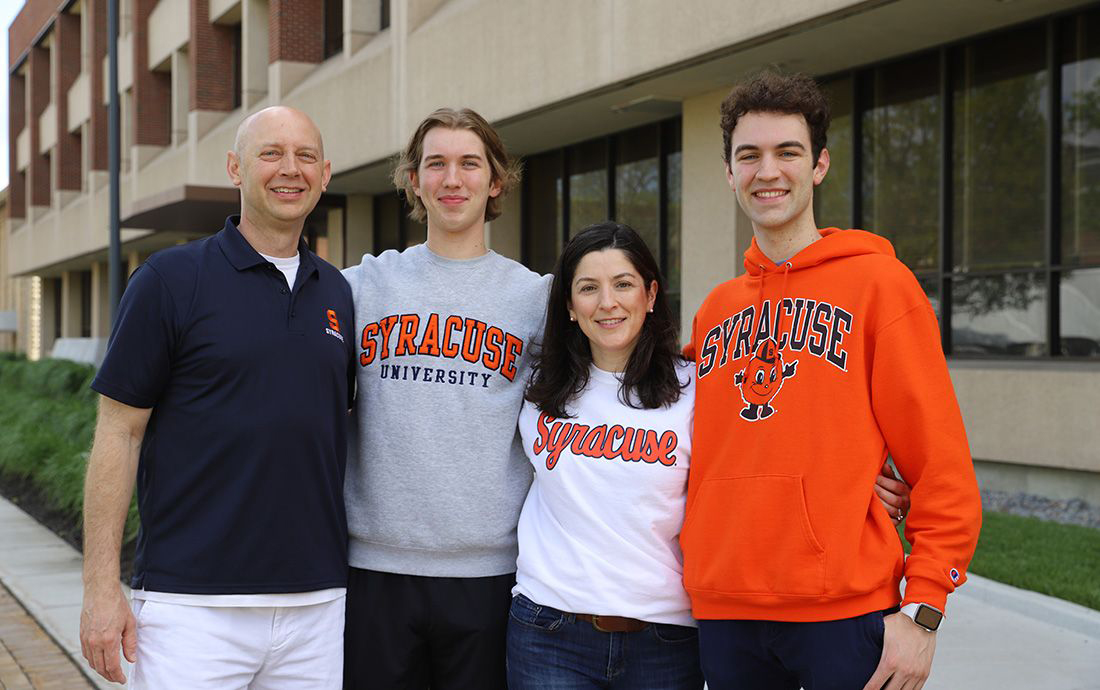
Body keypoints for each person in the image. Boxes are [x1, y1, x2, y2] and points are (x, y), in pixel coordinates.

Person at [682, 71, 982, 690]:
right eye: (750, 155)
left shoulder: (880, 287)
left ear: (818, 165)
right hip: (725, 611)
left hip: (843, 613)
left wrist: (923, 612)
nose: (768, 171)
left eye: (787, 152)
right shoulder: (714, 310)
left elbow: (940, 464)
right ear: (729, 172)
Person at [79, 106, 355, 688]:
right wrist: (100, 590)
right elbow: (118, 433)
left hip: (317, 604)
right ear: (235, 167)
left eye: (306, 156)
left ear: (325, 174)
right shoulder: (170, 280)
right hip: (192, 607)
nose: (290, 169)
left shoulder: (338, 291)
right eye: (270, 153)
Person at [341, 108, 550, 689]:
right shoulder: (365, 285)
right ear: (415, 180)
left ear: (495, 181)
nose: (452, 179)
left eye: (469, 164)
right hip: (375, 570)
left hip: (489, 573)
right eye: (436, 164)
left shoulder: (535, 298)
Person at [508, 222, 704, 689]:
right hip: (548, 630)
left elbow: (762, 458)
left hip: (666, 637)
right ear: (571, 308)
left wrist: (859, 480)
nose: (607, 302)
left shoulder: (695, 389)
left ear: (651, 294)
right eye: (588, 288)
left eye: (623, 284)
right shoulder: (536, 389)